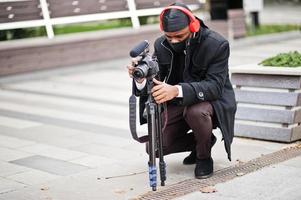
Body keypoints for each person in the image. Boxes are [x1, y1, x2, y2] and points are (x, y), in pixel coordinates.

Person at [127, 2, 236, 179]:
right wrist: (140, 78)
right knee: (154, 147)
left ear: (193, 26)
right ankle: (203, 141)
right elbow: (156, 80)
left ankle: (204, 156)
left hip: (211, 102)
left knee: (196, 112)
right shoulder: (161, 45)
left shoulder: (217, 44)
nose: (174, 41)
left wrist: (177, 90)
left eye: (179, 36)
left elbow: (215, 87)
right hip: (177, 103)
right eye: (169, 37)